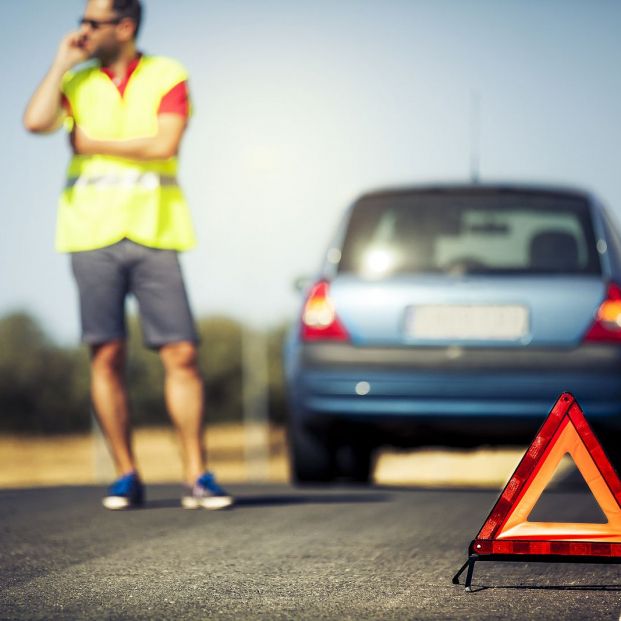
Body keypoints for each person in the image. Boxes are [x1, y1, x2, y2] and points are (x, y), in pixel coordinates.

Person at [23, 0, 233, 511]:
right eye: (82, 21)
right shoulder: (76, 81)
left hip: (156, 231)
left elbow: (165, 142)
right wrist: (59, 64)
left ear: (125, 25)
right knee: (106, 354)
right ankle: (125, 475)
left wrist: (91, 140)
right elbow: (35, 122)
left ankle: (197, 476)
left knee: (181, 353)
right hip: (89, 234)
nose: (83, 29)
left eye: (93, 22)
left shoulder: (167, 73)